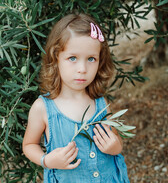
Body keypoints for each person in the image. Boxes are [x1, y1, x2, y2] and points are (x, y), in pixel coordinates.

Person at [22, 13, 130, 182]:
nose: (82, 68)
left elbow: (114, 138)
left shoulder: (100, 102)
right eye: (72, 58)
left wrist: (116, 147)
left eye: (91, 59)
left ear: (100, 61)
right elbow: (29, 145)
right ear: (56, 58)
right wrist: (47, 160)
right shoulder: (43, 108)